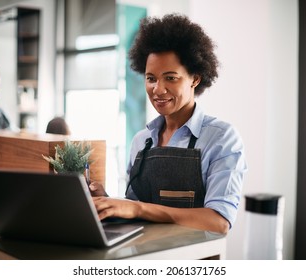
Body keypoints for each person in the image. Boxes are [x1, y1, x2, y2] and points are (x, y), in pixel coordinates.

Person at [91, 14, 247, 234]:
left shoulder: (221, 139)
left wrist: (137, 208)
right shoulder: (141, 141)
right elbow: (135, 213)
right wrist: (107, 203)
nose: (158, 89)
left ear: (195, 78)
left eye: (171, 78)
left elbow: (219, 222)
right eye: (151, 78)